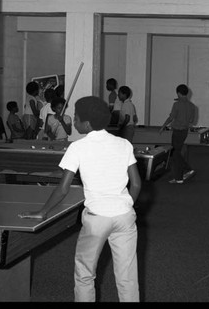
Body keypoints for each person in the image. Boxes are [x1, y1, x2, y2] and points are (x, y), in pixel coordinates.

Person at [18, 96, 142, 302]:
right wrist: (128, 207)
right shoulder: (124, 144)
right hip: (125, 216)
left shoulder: (77, 147)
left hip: (96, 219)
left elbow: (63, 189)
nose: (73, 121)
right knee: (127, 276)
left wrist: (43, 211)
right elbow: (136, 184)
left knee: (85, 275)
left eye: (76, 118)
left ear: (87, 123)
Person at [160, 84, 196, 184]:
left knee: (176, 154)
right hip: (184, 132)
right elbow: (192, 120)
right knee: (177, 153)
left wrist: (163, 126)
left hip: (177, 131)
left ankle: (179, 177)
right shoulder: (192, 106)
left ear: (179, 93)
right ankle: (186, 170)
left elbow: (171, 118)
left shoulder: (176, 105)